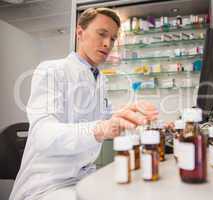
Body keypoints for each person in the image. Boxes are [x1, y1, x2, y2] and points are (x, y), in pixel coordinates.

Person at [9, 8, 158, 200]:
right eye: (102, 34)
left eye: (113, 39)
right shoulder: (52, 70)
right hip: (47, 185)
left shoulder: (99, 79)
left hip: (82, 178)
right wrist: (100, 129)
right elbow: (42, 135)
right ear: (80, 33)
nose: (107, 43)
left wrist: (140, 121)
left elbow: (105, 119)